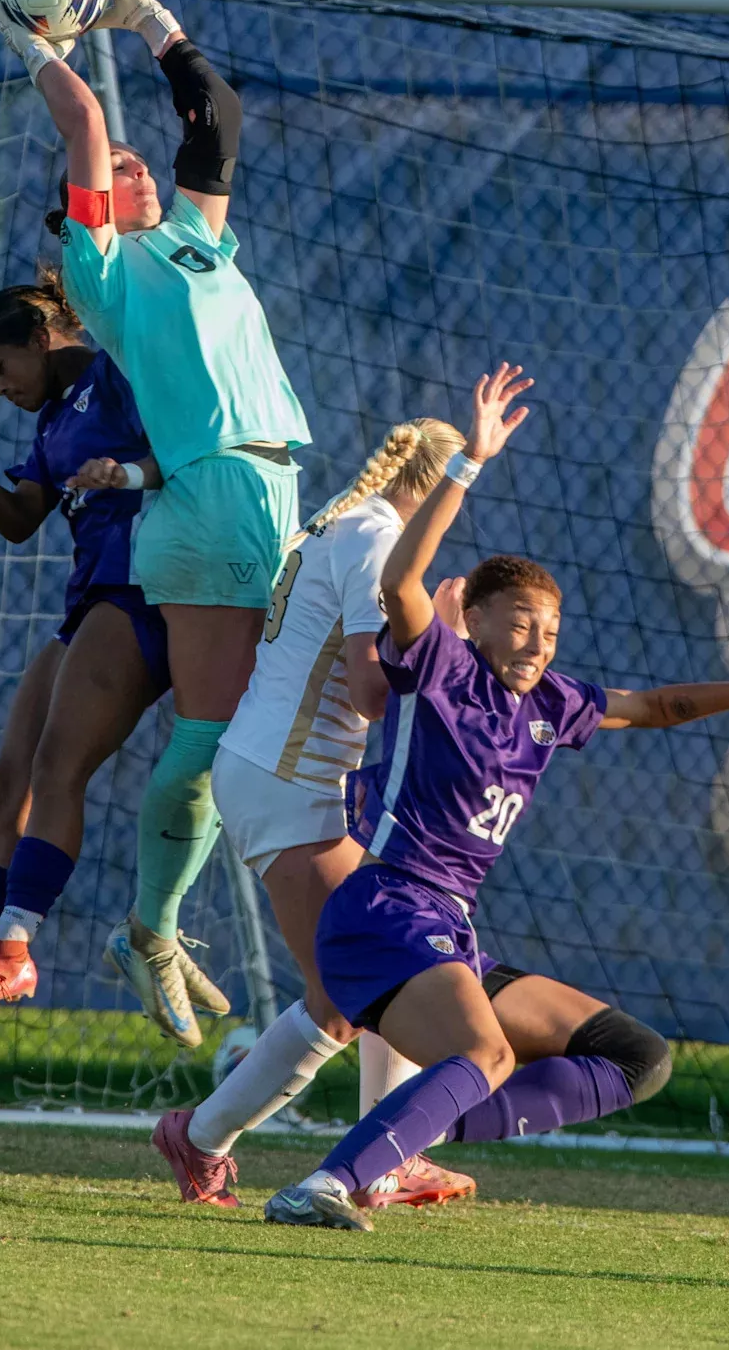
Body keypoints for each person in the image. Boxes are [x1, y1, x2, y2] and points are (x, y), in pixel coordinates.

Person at [262, 364, 729, 1230]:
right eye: (522, 621)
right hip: (383, 911)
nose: (538, 640)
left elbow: (656, 707)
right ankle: (327, 1184)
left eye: (552, 628)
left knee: (634, 1056)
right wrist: (470, 464)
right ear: (481, 618)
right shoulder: (441, 667)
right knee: (484, 1052)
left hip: (447, 926)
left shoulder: (552, 703)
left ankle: (393, 1142)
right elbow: (403, 584)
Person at [0, 0, 312, 1045]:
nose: (133, 161)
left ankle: (170, 927)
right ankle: (150, 928)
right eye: (116, 167)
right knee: (221, 740)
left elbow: (214, 115)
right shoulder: (105, 269)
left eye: (140, 159)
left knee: (257, 737)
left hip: (260, 493)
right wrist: (32, 41)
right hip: (217, 505)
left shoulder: (193, 240)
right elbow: (83, 125)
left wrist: (149, 18)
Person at [0, 272, 227, 1027]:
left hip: (142, 593)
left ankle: (14, 948)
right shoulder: (50, 422)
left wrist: (130, 474)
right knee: (9, 781)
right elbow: (20, 519)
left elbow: (195, 446)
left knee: (57, 765)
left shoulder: (122, 375)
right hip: (89, 602)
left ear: (41, 337)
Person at [153, 416, 477, 1211]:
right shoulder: (373, 538)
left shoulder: (345, 519)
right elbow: (372, 690)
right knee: (341, 998)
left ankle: (389, 1153)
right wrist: (447, 644)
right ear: (430, 487)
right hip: (290, 781)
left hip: (283, 774)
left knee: (384, 968)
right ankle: (198, 1137)